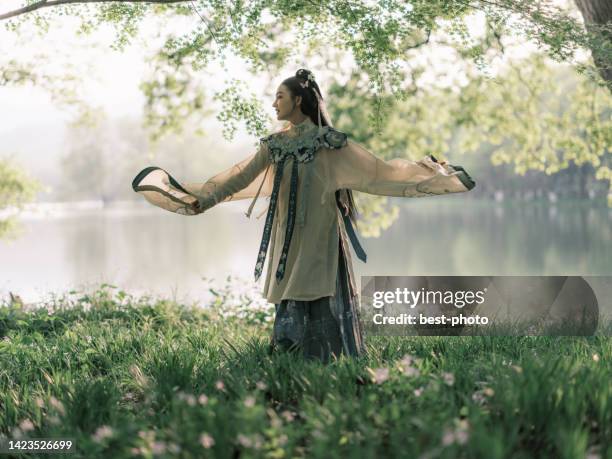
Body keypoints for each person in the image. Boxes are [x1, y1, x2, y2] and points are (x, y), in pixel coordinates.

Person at [132, 68, 476, 364]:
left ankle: (331, 355)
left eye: (279, 96)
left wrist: (431, 174)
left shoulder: (330, 142)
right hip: (288, 233)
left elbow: (378, 172)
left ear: (298, 100)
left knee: (317, 283)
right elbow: (239, 178)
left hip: (322, 231)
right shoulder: (273, 145)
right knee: (290, 284)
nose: (273, 103)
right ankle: (290, 353)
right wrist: (202, 201)